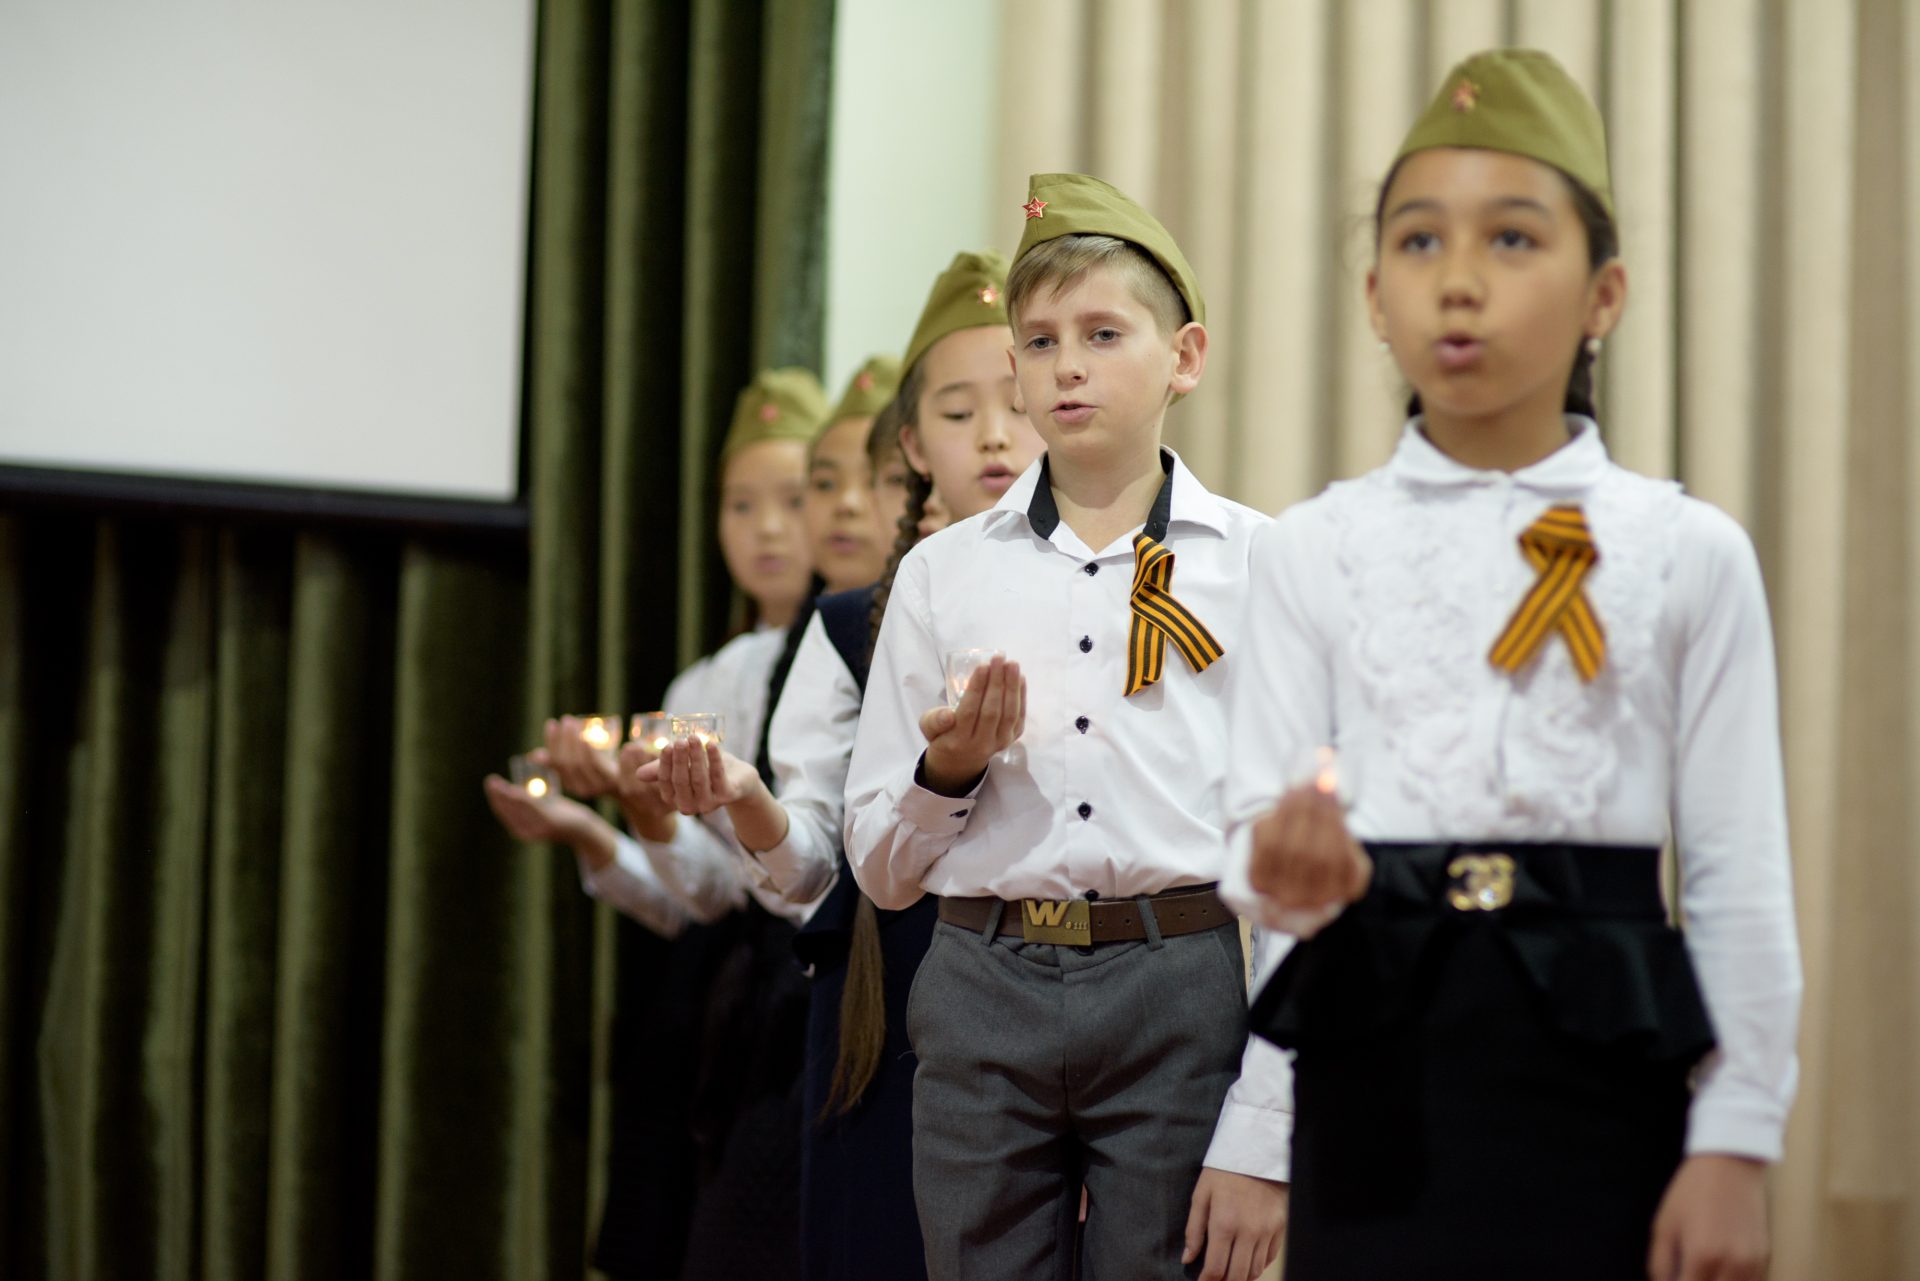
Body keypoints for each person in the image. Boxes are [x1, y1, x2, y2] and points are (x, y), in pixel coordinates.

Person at [1219, 49, 1802, 1281]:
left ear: (1606, 294)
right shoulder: (1313, 549)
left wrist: (1738, 1137)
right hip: (1372, 1057)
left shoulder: (1688, 553)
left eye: (1515, 240)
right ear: (1374, 294)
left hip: (1607, 1056)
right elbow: (1253, 842)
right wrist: (1282, 869)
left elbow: (1738, 869)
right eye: (1421, 244)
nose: (1461, 284)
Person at [843, 181, 1290, 1281]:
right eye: (1038, 342)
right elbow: (882, 871)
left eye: (1101, 333)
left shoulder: (1262, 565)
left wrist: (1266, 1127)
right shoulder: (946, 571)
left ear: (1184, 356)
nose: (1067, 366)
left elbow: (1291, 860)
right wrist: (944, 772)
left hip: (1178, 976)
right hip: (984, 979)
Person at [644, 252, 1042, 1280]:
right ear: (910, 444)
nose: (997, 433)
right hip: (887, 1010)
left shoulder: (1140, 598)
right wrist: (749, 804)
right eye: (958, 413)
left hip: (1074, 1021)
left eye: (1020, 396)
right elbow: (813, 869)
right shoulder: (850, 627)